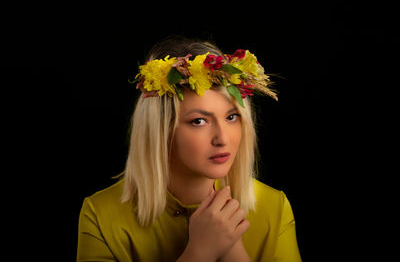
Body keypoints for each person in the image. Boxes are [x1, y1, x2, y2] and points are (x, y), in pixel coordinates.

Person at [77, 37, 302, 262]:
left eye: (231, 117)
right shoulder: (100, 214)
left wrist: (234, 252)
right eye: (199, 121)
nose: (222, 139)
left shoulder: (274, 207)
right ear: (160, 130)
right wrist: (200, 253)